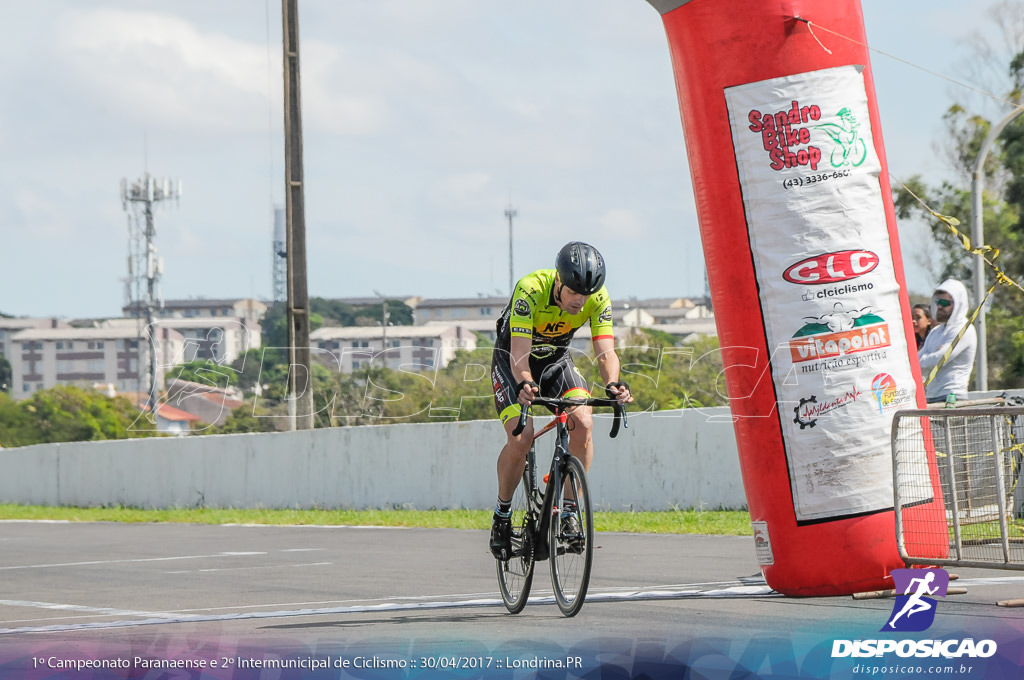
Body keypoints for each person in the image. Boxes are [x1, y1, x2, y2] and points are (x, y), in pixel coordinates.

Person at [488, 241, 633, 559]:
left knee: (583, 421)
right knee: (521, 437)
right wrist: (525, 382)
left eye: (587, 294)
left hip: (556, 362)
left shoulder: (597, 297)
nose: (581, 301)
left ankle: (568, 512)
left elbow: (606, 350)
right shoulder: (530, 289)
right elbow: (519, 352)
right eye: (574, 293)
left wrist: (612, 383)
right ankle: (502, 514)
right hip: (514, 361)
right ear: (558, 281)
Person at [917, 278, 977, 404]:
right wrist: (928, 359)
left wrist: (927, 358)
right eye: (938, 302)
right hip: (931, 397)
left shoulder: (964, 329)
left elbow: (941, 358)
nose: (939, 306)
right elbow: (917, 361)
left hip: (952, 397)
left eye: (945, 303)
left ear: (958, 303)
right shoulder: (935, 332)